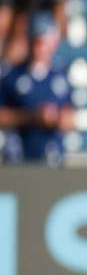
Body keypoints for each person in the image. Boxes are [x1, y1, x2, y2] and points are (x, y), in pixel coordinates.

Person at [0, 15, 73, 165]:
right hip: (19, 156)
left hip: (53, 156)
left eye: (43, 43)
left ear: (53, 43)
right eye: (36, 42)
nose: (39, 48)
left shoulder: (61, 75)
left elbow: (70, 117)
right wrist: (32, 117)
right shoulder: (12, 75)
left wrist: (57, 118)